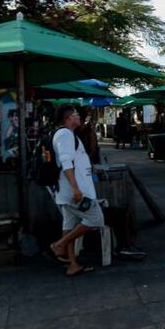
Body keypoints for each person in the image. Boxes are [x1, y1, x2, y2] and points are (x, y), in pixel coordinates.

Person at [48, 104, 103, 276]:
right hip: (75, 192)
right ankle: (59, 245)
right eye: (77, 115)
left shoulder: (67, 134)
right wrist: (75, 188)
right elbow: (66, 163)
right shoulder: (64, 134)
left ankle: (73, 264)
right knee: (96, 218)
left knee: (69, 225)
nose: (80, 117)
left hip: (68, 191)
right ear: (69, 117)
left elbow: (73, 161)